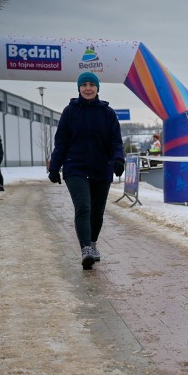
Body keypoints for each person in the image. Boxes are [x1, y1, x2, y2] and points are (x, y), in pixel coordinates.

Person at [48, 72, 125, 270]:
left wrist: (118, 159)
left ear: (98, 88)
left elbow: (116, 140)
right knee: (83, 207)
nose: (88, 88)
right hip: (76, 167)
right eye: (84, 85)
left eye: (92, 84)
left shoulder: (107, 113)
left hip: (101, 167)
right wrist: (54, 167)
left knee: (97, 213)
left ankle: (92, 243)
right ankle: (86, 249)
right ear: (79, 88)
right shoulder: (70, 112)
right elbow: (61, 142)